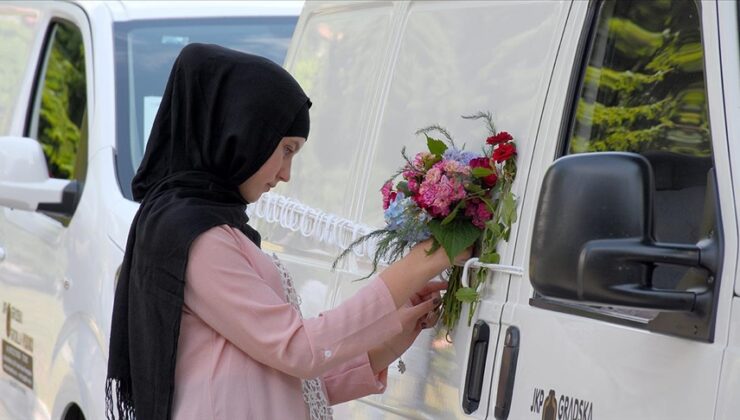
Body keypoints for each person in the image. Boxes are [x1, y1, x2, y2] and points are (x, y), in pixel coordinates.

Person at [105, 43, 466, 420]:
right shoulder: (197, 238)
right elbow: (298, 350)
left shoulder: (206, 226)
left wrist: (385, 344)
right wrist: (420, 263)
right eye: (285, 149)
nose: (285, 173)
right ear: (241, 133)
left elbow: (280, 381)